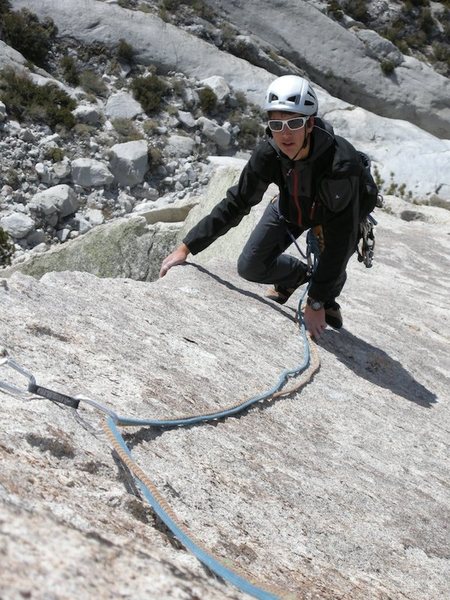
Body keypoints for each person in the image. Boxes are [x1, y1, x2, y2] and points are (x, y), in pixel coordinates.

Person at [160, 75, 376, 339]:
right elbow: (237, 202)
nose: (285, 133)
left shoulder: (340, 165)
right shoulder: (269, 154)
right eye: (276, 124)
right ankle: (298, 276)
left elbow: (342, 239)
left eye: (294, 123)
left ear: (310, 124)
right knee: (249, 267)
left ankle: (327, 290)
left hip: (333, 218)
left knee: (332, 262)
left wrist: (318, 301)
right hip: (291, 208)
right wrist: (187, 246)